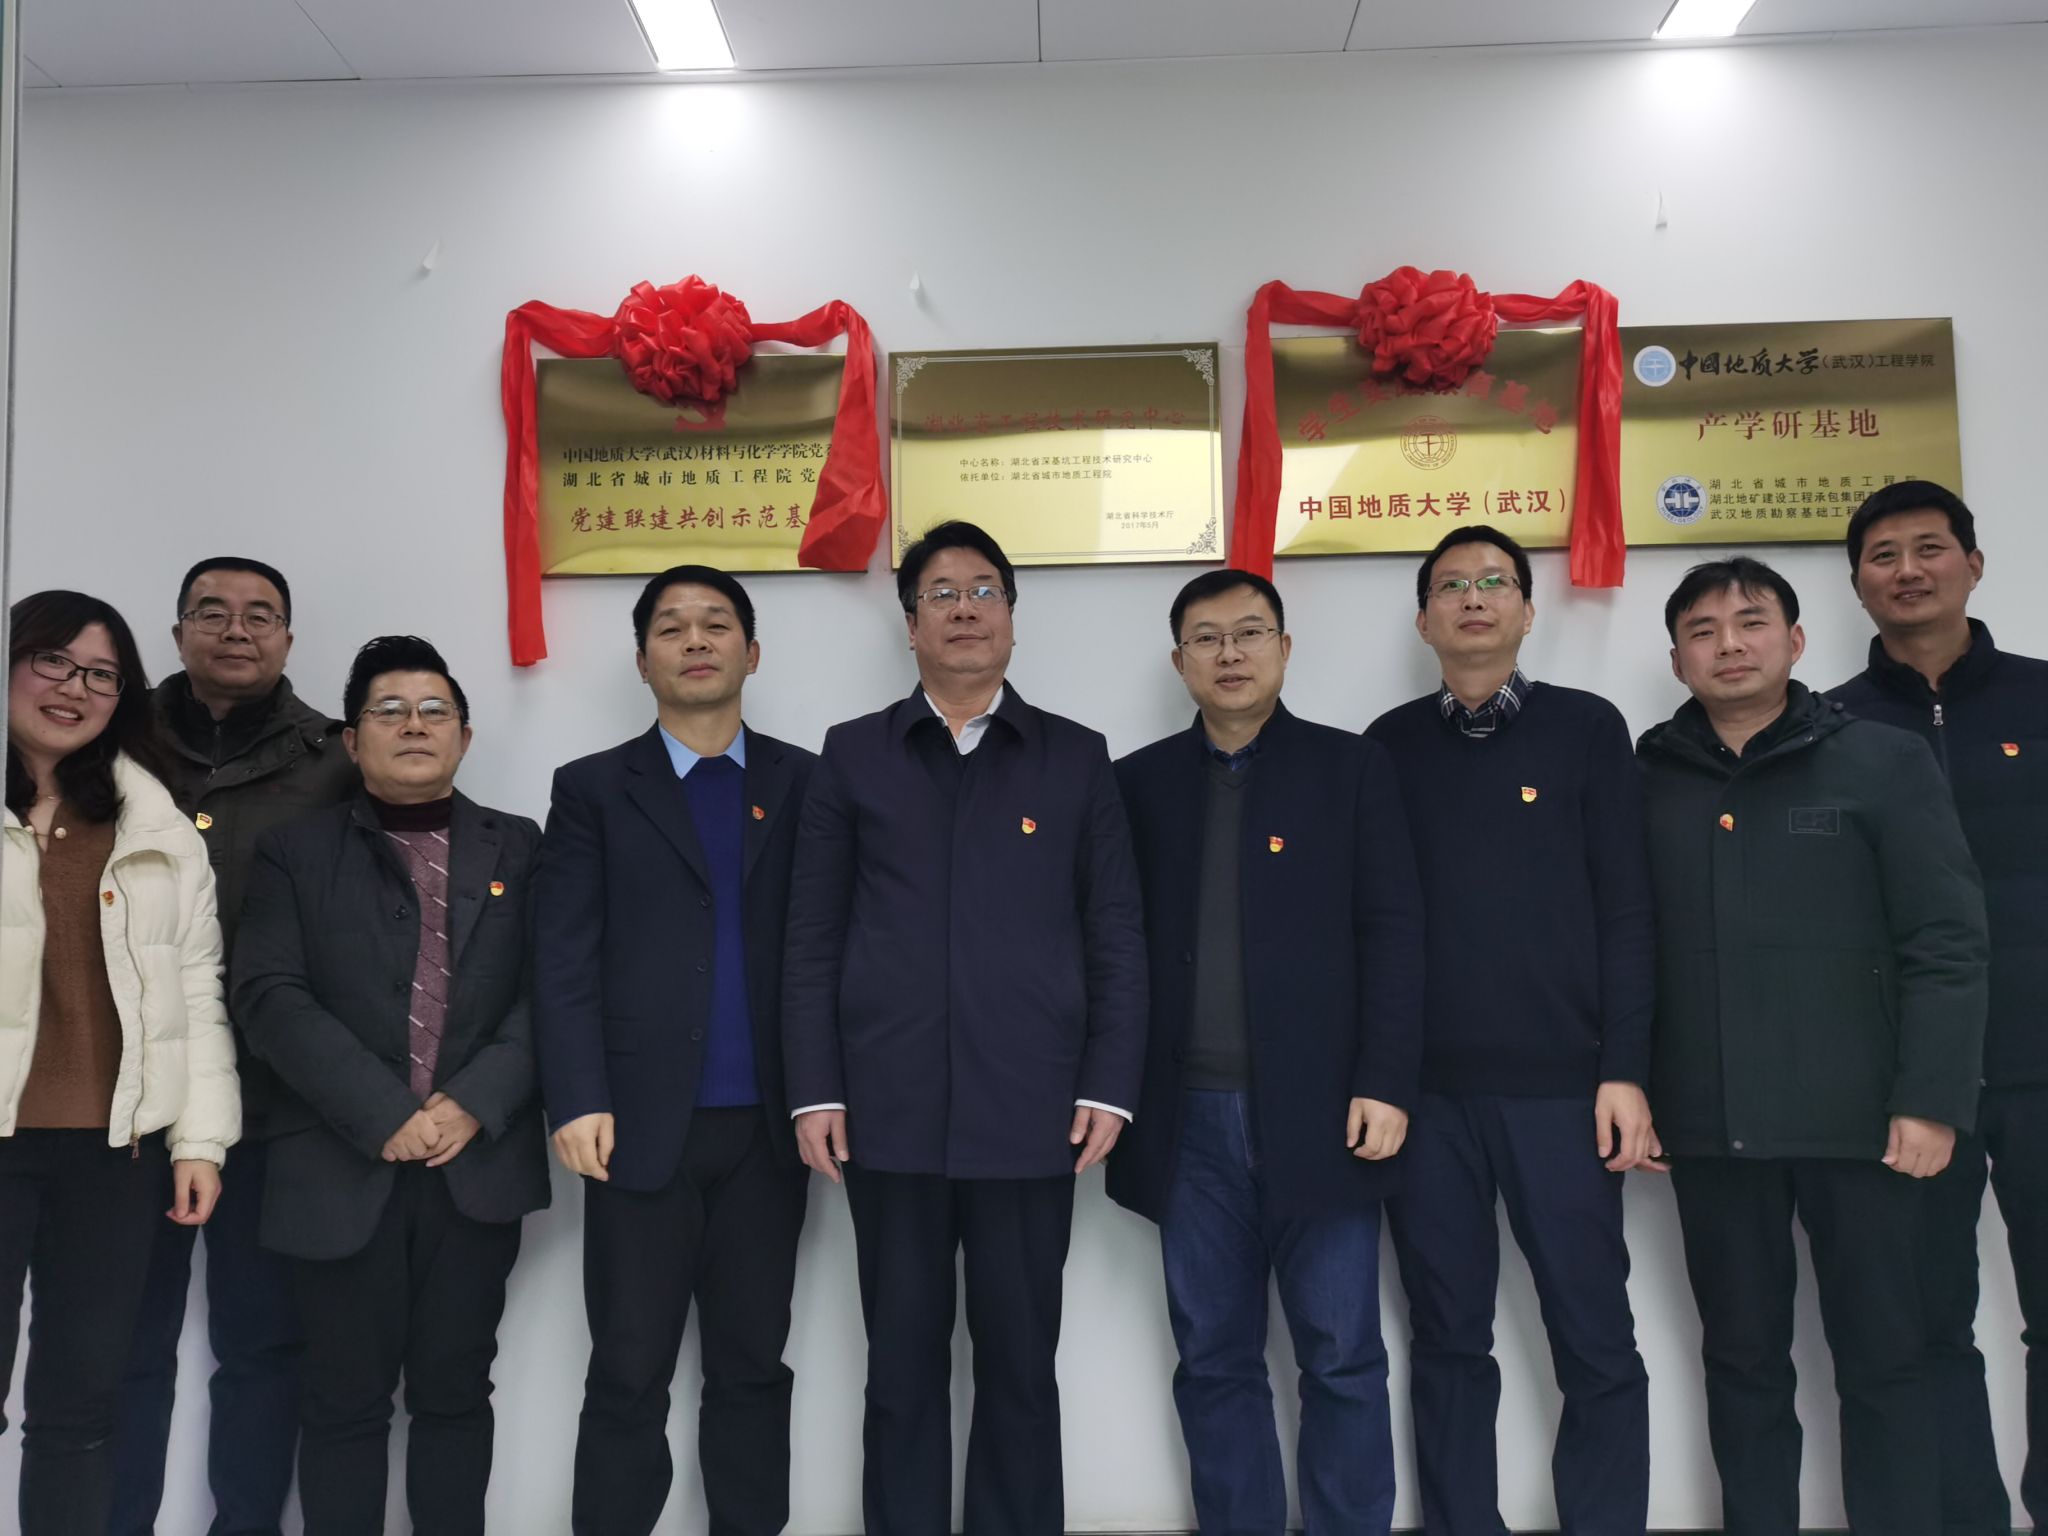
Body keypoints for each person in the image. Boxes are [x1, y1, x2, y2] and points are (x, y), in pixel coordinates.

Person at [781, 519, 1148, 1536]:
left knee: (1021, 1367)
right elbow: (811, 937)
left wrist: (1109, 1082)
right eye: (940, 594)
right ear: (910, 626)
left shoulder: (1074, 757)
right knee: (899, 1368)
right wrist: (815, 1089)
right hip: (886, 1114)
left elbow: (1115, 930)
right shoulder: (853, 755)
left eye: (984, 590)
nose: (964, 610)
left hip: (1032, 1112)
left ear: (1013, 619)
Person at [1639, 557, 1987, 1536]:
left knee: (1885, 1358)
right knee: (1740, 1362)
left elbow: (1945, 940)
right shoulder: (1644, 776)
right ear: (1676, 660)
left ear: (1794, 641)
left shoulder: (1880, 760)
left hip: (1866, 1126)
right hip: (1710, 1126)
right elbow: (1622, 948)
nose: (1728, 644)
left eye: (1751, 622)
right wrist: (1634, 1085)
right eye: (1702, 631)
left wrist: (1931, 1098)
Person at [1110, 568, 1423, 1535]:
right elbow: (1112, 946)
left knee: (1341, 1353)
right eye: (1207, 638)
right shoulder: (1137, 782)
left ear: (1285, 649)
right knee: (1213, 1356)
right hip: (1186, 1120)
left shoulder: (1351, 768)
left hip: (1323, 1112)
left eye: (1250, 633)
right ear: (1180, 661)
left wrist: (1385, 1079)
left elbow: (1394, 932)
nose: (1230, 653)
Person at [1366, 527, 1655, 1536]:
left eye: (1495, 581)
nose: (1473, 596)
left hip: (1562, 1093)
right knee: (1447, 1339)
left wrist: (1624, 1068)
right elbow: (1374, 924)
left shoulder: (1587, 728)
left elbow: (1627, 910)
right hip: (1427, 1100)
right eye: (1451, 584)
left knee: (1594, 1336)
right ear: (1424, 620)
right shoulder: (1387, 745)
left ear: (1528, 611)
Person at [232, 635, 548, 1536]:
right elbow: (268, 994)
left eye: (435, 710)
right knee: (341, 1400)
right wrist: (382, 1112)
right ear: (351, 739)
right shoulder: (294, 852)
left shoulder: (522, 846)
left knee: (456, 1393)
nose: (415, 725)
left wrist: (474, 1100)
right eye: (390, 711)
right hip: (338, 1167)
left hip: (474, 1167)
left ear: (465, 736)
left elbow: (556, 990)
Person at [536, 566, 814, 1536]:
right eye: (671, 627)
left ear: (752, 651)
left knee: (752, 1367)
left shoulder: (805, 783)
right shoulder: (591, 790)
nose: (695, 640)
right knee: (627, 1369)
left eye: (716, 624)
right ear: (642, 660)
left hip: (769, 1133)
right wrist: (576, 1096)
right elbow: (562, 957)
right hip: (634, 1129)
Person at [115, 555, 356, 1536]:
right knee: (126, 1343)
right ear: (177, 632)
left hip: (275, 1099)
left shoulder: (334, 758)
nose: (236, 630)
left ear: (289, 639)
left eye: (261, 615)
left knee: (261, 1344)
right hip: (133, 1096)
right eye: (211, 612)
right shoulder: (114, 740)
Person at [1827, 480, 2046, 1535]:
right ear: (1857, 583)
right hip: (1908, 1083)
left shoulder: (2041, 698)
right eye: (1883, 555)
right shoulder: (1827, 726)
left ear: (1972, 563)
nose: (1907, 570)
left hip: (2041, 1059)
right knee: (1925, 1325)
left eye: (1928, 548)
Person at [2, 589, 241, 1536]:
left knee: (81, 1410)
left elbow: (196, 991)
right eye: (53, 661)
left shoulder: (156, 825)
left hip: (115, 1151)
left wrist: (201, 1142)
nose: (75, 689)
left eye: (101, 675)